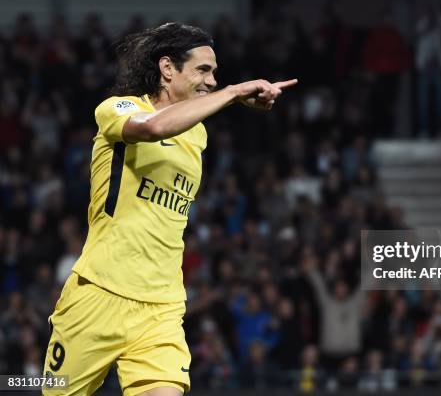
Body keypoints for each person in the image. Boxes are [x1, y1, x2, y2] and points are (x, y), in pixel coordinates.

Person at [42, 22, 297, 396]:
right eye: (203, 70)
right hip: (99, 294)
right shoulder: (118, 109)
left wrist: (234, 99)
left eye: (215, 73)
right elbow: (154, 128)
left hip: (161, 306)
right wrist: (233, 93)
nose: (211, 81)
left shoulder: (197, 133)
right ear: (167, 68)